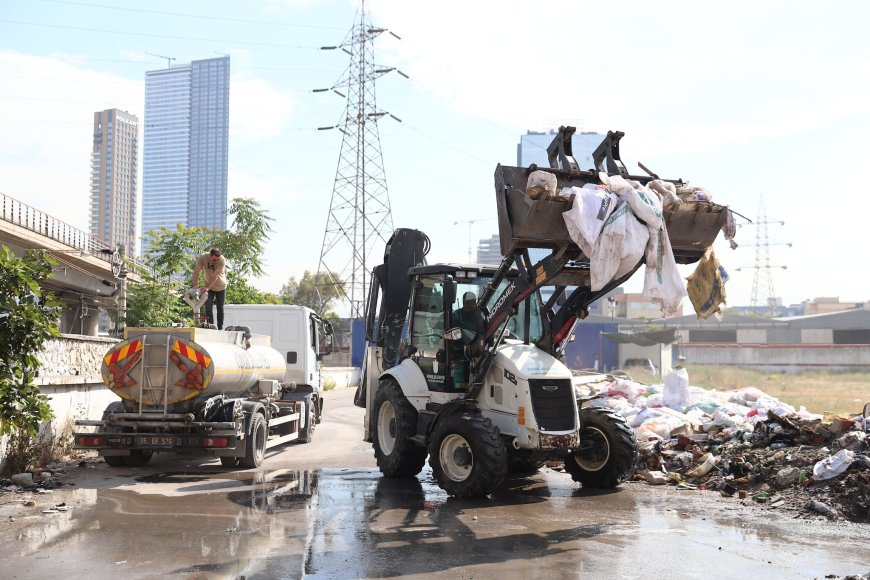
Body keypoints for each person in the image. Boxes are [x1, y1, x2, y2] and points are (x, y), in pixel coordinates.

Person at [192, 247, 227, 329]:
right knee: (208, 306)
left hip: (221, 286)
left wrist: (207, 288)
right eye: (214, 260)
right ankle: (211, 326)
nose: (216, 261)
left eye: (218, 260)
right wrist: (195, 286)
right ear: (210, 256)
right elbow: (197, 271)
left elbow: (216, 276)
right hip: (209, 286)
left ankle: (220, 328)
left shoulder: (222, 260)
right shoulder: (203, 257)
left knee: (220, 308)